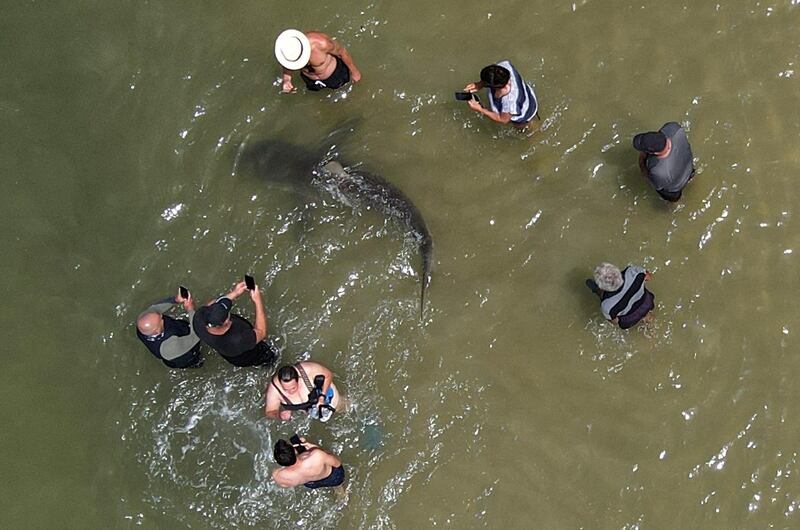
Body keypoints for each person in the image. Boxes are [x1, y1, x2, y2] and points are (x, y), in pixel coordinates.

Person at [192, 280, 277, 367]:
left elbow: (212, 304)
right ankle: (269, 363)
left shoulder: (198, 320)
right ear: (226, 322)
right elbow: (261, 332)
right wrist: (258, 301)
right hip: (246, 355)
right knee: (268, 357)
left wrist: (235, 292)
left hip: (226, 350)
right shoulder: (238, 339)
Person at [274, 29, 361, 93]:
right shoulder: (288, 53)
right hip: (310, 79)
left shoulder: (321, 43)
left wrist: (354, 71)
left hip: (335, 75)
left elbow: (342, 52)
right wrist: (287, 79)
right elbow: (286, 63)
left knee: (345, 91)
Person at [136, 288, 203, 368]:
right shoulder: (168, 347)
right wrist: (190, 309)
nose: (161, 315)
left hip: (178, 331)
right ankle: (197, 363)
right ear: (156, 331)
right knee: (195, 359)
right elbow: (196, 336)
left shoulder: (143, 322)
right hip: (183, 354)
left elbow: (155, 308)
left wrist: (175, 300)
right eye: (160, 319)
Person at [462, 61, 539, 129]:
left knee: (519, 126)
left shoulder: (510, 104)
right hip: (525, 95)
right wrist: (480, 84)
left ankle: (532, 126)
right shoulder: (504, 67)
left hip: (526, 112)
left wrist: (480, 109)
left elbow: (503, 119)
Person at [633, 122, 695, 202]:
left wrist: (641, 162)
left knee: (672, 197)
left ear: (653, 152)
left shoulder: (657, 171)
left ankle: (672, 205)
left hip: (675, 188)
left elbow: (647, 178)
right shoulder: (673, 128)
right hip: (689, 167)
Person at [264, 362, 341, 422]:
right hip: (305, 410)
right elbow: (270, 411)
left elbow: (328, 375)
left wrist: (322, 396)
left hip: (323, 395)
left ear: (298, 379)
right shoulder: (275, 389)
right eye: (286, 389)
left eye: (293, 388)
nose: (290, 392)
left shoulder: (307, 370)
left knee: (340, 408)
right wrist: (279, 415)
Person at [586, 263, 655, 329]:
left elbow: (615, 322)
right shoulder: (633, 272)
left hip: (630, 318)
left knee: (602, 297)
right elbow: (649, 277)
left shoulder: (607, 306)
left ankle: (597, 290)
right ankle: (648, 319)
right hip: (646, 302)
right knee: (643, 310)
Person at [272, 436, 346, 494]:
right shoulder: (317, 455)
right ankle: (340, 492)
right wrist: (314, 448)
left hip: (312, 484)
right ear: (293, 451)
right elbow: (337, 463)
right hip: (332, 476)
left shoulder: (278, 475)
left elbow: (285, 485)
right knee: (338, 486)